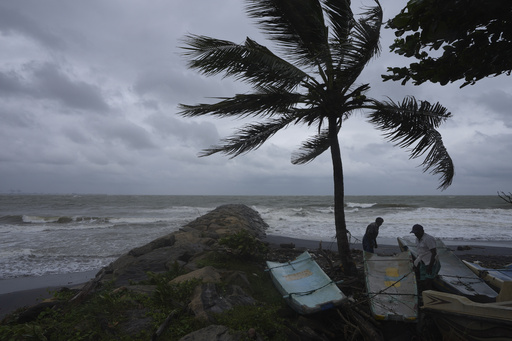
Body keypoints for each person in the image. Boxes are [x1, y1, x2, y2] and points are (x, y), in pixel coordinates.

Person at [410, 224, 441, 292]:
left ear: (422, 231)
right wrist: (415, 264)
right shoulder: (417, 240)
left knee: (428, 282)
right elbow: (420, 253)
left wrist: (430, 266)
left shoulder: (428, 239)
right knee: (422, 282)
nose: (416, 234)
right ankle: (424, 295)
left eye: (417, 232)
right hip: (423, 262)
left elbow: (434, 253)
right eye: (414, 233)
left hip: (431, 263)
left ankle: (429, 296)